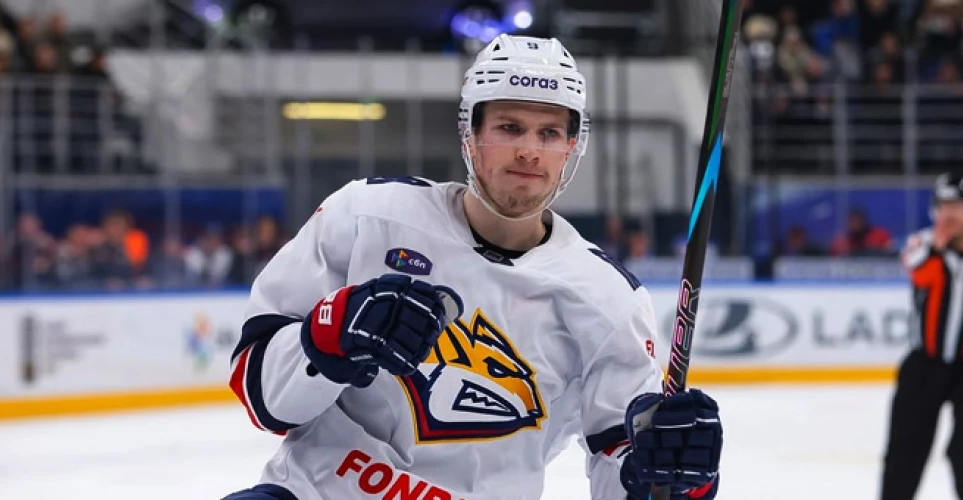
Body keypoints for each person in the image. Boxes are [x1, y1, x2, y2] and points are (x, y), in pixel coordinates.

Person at [224, 34, 723, 500]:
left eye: (549, 133)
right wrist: (327, 337)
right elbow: (259, 395)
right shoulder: (366, 217)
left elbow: (623, 465)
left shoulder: (607, 298)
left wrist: (669, 473)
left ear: (571, 146)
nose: (529, 150)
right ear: (470, 132)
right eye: (509, 128)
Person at [881, 173, 963, 500]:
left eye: (957, 206)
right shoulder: (921, 245)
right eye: (943, 206)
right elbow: (922, 276)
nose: (949, 214)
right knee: (905, 453)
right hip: (924, 365)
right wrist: (938, 248)